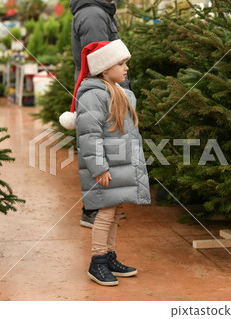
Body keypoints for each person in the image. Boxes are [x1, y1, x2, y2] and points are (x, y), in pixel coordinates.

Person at [59, 40, 150, 286]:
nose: (126, 68)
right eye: (120, 63)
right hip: (105, 169)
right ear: (103, 67)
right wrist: (99, 168)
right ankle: (97, 262)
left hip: (120, 166)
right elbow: (90, 137)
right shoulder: (93, 97)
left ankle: (109, 256)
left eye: (126, 63)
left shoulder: (121, 93)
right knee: (105, 213)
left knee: (115, 210)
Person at [70, 0, 131, 227]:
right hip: (103, 95)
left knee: (105, 149)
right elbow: (100, 62)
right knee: (97, 148)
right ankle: (93, 209)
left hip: (105, 93)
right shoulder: (93, 15)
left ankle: (102, 205)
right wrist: (117, 96)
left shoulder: (99, 11)